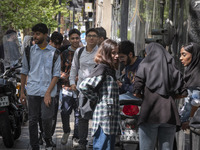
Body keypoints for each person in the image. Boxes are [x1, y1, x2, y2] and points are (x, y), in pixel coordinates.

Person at [133, 42, 187, 150]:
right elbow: (183, 93)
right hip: (169, 115)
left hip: (150, 114)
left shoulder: (144, 65)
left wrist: (146, 95)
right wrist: (170, 96)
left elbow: (136, 91)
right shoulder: (172, 67)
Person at [20, 23, 61, 150]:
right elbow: (24, 71)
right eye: (34, 34)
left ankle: (47, 137)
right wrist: (22, 92)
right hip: (32, 91)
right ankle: (34, 146)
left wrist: (48, 93)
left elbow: (56, 75)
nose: (35, 36)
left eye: (37, 34)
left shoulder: (55, 53)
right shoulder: (29, 51)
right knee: (32, 120)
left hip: (48, 92)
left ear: (45, 35)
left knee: (46, 118)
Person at [79, 39, 120, 150]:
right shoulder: (102, 68)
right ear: (106, 53)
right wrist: (97, 99)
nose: (116, 56)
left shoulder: (110, 69)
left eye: (117, 52)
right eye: (113, 53)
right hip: (103, 117)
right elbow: (83, 86)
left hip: (110, 117)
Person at [69, 28, 99, 150]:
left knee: (98, 117)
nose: (91, 38)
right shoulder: (79, 52)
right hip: (82, 89)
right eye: (89, 36)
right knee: (82, 117)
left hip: (98, 90)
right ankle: (82, 142)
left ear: (98, 39)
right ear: (85, 38)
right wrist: (72, 82)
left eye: (94, 36)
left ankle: (96, 141)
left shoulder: (101, 52)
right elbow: (74, 68)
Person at [37, 31, 63, 147]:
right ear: (50, 41)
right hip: (39, 88)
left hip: (54, 89)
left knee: (51, 115)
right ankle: (41, 135)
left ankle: (48, 137)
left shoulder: (59, 53)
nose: (57, 47)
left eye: (59, 45)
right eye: (55, 44)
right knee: (39, 114)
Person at [59, 29, 81, 147]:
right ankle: (66, 131)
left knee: (78, 114)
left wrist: (79, 79)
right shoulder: (64, 54)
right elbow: (59, 71)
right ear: (69, 39)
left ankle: (76, 137)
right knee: (65, 112)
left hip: (80, 89)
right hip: (67, 88)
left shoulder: (84, 52)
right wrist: (69, 78)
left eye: (77, 38)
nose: (75, 40)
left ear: (80, 38)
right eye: (72, 38)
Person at [179, 43, 200, 130]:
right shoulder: (192, 72)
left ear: (194, 55)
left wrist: (190, 120)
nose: (180, 58)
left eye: (184, 55)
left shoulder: (196, 76)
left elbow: (196, 102)